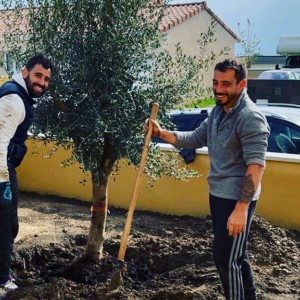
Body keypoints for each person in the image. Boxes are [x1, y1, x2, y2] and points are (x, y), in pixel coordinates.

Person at [144, 58, 270, 300]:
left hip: (236, 199)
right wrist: (161, 133)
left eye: (225, 84)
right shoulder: (218, 112)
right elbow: (194, 138)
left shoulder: (249, 117)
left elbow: (256, 166)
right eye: (215, 82)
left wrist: (241, 209)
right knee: (237, 257)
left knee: (226, 260)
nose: (218, 89)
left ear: (241, 84)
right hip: (219, 195)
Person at [0, 54, 53, 298]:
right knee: (6, 225)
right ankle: (1, 281)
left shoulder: (19, 95)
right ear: (24, 72)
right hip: (2, 169)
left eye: (46, 79)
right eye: (38, 75)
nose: (41, 82)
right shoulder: (14, 101)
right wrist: (3, 183)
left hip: (5, 167)